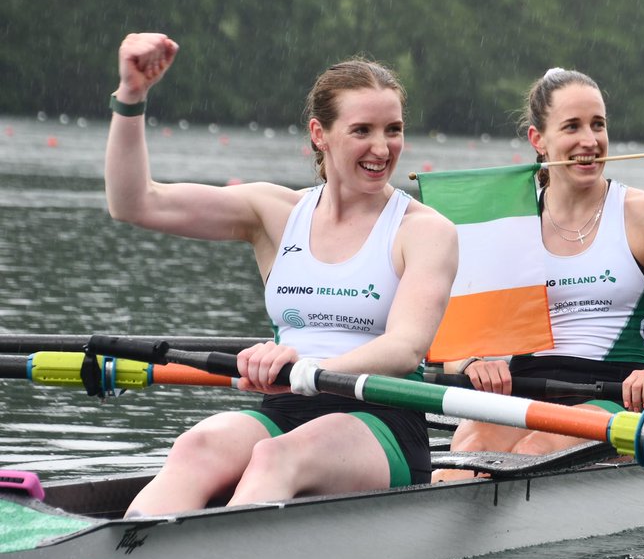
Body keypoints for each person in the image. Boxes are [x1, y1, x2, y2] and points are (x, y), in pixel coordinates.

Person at [107, 32, 457, 515]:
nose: (383, 148)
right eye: (363, 131)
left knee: (276, 458)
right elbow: (134, 204)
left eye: (393, 129)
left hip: (382, 420)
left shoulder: (424, 230)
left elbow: (406, 349)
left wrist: (306, 372)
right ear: (320, 135)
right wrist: (131, 96)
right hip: (286, 406)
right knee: (197, 446)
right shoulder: (274, 212)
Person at [433, 68, 644, 481]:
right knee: (470, 449)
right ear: (538, 140)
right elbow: (448, 335)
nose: (590, 141)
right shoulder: (509, 221)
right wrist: (471, 360)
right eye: (572, 127)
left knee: (534, 450)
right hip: (523, 394)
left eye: (598, 125)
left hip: (614, 399)